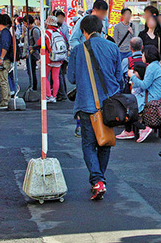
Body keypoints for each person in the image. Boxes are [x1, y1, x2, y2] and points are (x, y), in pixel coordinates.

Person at [67, 15, 123, 200]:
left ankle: (97, 180)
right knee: (105, 142)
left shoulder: (77, 50)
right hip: (109, 105)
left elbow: (72, 78)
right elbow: (119, 79)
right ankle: (99, 180)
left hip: (86, 104)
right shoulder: (113, 47)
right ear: (100, 29)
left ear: (84, 31)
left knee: (89, 144)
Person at [117, 46, 161, 142]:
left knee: (126, 105)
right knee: (128, 101)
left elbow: (144, 85)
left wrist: (132, 76)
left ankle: (140, 128)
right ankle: (131, 130)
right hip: (156, 95)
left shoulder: (152, 67)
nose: (142, 56)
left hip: (151, 97)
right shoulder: (156, 65)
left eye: (143, 54)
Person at [42, 15, 68, 103]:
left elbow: (39, 42)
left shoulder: (46, 33)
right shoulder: (59, 32)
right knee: (56, 78)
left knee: (45, 76)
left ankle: (48, 95)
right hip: (58, 58)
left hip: (49, 58)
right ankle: (54, 96)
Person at [0, 13, 13, 109]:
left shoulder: (4, 32)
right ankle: (7, 99)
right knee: (4, 80)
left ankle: (5, 101)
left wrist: (1, 58)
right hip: (4, 59)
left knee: (3, 80)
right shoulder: (5, 32)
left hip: (4, 60)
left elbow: (5, 46)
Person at [55, 10, 70, 101]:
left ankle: (62, 93)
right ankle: (62, 92)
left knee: (60, 74)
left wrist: (68, 50)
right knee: (60, 74)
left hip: (61, 54)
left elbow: (68, 40)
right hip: (61, 53)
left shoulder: (64, 27)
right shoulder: (60, 27)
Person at [25, 15, 42, 91]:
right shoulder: (28, 30)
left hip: (32, 54)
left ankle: (33, 86)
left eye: (24, 23)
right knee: (30, 70)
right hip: (29, 53)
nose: (24, 25)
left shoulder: (35, 30)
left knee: (32, 71)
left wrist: (31, 51)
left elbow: (38, 43)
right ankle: (31, 84)